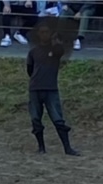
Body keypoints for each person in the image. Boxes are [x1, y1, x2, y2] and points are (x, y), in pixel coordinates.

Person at [26, 22, 79, 156]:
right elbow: (30, 69)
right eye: (42, 32)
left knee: (58, 119)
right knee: (36, 120)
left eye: (47, 32)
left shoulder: (56, 50)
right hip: (37, 88)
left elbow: (30, 70)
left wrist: (57, 40)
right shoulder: (33, 52)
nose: (44, 35)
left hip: (49, 88)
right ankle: (42, 147)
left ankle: (66, 148)